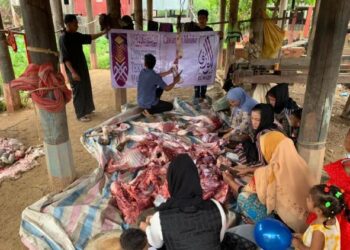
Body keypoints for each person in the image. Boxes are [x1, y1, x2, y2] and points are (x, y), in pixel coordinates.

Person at [222, 131, 315, 232]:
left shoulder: (267, 173)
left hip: (285, 227)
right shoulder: (302, 165)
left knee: (243, 197)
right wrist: (250, 170)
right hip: (307, 225)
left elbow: (243, 189)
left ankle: (263, 225)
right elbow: (278, 168)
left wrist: (230, 181)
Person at [140, 154, 226, 250]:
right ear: (195, 178)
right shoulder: (216, 207)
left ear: (172, 181)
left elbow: (156, 244)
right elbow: (219, 239)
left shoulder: (160, 217)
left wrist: (147, 228)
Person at [60, 14, 107, 122]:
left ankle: (88, 109)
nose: (77, 25)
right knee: (78, 90)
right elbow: (65, 59)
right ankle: (80, 114)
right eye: (75, 23)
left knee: (85, 87)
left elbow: (89, 37)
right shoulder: (64, 38)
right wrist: (73, 72)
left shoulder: (75, 35)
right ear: (69, 24)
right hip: (73, 70)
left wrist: (103, 32)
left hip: (81, 66)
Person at [292, 184, 348, 250]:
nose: (307, 199)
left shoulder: (319, 231)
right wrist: (303, 237)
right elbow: (322, 241)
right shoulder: (333, 218)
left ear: (318, 211)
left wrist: (298, 244)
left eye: (309, 199)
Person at [192, 9, 214, 103]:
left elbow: (214, 41)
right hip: (196, 57)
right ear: (198, 18)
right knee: (197, 75)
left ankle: (203, 94)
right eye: (200, 18)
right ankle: (197, 95)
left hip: (207, 57)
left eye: (203, 18)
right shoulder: (193, 29)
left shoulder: (210, 30)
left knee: (204, 75)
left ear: (207, 19)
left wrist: (219, 35)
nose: (201, 20)